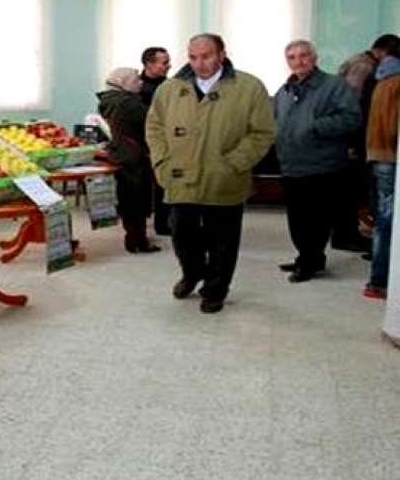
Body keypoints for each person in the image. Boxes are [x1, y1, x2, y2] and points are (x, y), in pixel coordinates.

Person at [146, 33, 275, 314]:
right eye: (193, 57)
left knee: (223, 240)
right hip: (180, 176)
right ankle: (192, 273)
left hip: (225, 176)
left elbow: (263, 132)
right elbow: (154, 127)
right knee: (181, 234)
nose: (199, 63)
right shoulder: (169, 89)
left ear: (221, 54)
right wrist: (161, 161)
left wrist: (235, 162)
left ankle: (215, 289)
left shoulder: (249, 87)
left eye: (206, 56)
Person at [272, 40, 362, 283]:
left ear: (314, 58)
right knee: (297, 219)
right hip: (291, 164)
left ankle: (310, 262)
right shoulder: (285, 90)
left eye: (303, 56)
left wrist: (315, 127)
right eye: (291, 57)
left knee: (316, 220)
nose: (298, 61)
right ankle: (307, 257)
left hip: (321, 165)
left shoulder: (334, 85)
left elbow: (352, 117)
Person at [333, 34, 400, 253]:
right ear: (382, 51)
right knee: (351, 191)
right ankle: (346, 235)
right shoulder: (364, 66)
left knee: (354, 190)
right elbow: (352, 107)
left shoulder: (365, 63)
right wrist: (352, 143)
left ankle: (347, 234)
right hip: (352, 138)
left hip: (357, 138)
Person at [96, 67, 159, 254]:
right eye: (136, 80)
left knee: (128, 197)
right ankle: (137, 240)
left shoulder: (110, 100)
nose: (140, 82)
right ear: (123, 83)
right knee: (137, 199)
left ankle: (134, 238)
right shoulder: (128, 104)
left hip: (122, 153)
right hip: (135, 156)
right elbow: (153, 121)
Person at [363, 48, 400, 300]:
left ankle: (377, 281)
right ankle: (381, 281)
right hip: (393, 156)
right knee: (389, 223)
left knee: (384, 221)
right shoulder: (396, 82)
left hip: (379, 155)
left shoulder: (383, 80)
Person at [139, 46, 173, 237]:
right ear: (149, 64)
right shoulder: (136, 87)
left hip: (165, 142)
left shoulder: (171, 86)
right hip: (141, 143)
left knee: (164, 183)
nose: (169, 66)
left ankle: (163, 223)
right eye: (164, 62)